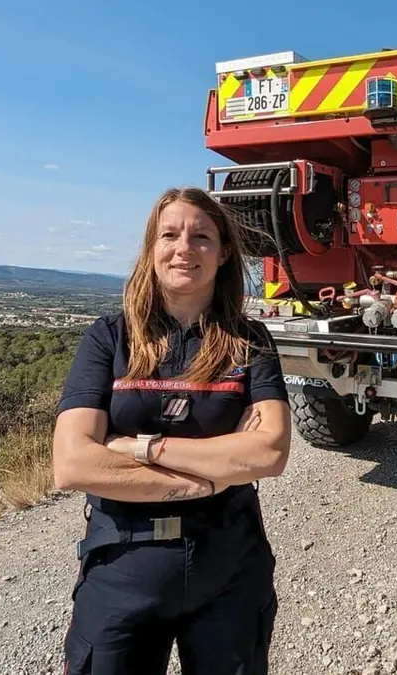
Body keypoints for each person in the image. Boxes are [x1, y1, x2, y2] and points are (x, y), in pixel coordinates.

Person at [51, 185, 292, 675]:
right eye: (170, 234)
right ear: (152, 248)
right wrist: (209, 474)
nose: (185, 247)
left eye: (202, 236)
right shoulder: (109, 337)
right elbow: (72, 463)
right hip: (123, 562)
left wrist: (139, 446)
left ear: (224, 253)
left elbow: (270, 452)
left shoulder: (249, 341)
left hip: (228, 560)